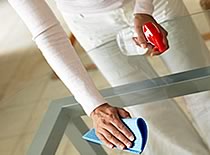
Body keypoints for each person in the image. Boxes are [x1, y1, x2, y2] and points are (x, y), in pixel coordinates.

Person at [8, 0, 210, 154]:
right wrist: (94, 106)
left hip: (157, 5)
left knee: (203, 87)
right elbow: (46, 32)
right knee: (146, 110)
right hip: (91, 25)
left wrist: (143, 9)